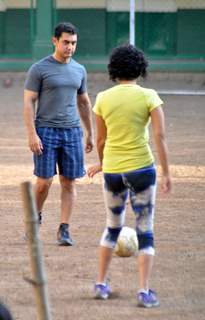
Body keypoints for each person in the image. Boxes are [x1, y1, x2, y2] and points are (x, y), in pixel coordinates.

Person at [87, 44, 172, 307]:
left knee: (112, 227)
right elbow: (159, 136)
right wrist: (167, 172)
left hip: (113, 171)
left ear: (114, 69)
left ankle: (100, 284)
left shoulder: (102, 98)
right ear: (141, 68)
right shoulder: (149, 96)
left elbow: (101, 139)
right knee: (145, 231)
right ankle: (144, 292)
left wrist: (103, 164)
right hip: (142, 170)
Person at [24, 22, 94, 246]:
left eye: (73, 43)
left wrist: (89, 133)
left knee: (69, 182)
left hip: (72, 132)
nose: (70, 47)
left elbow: (83, 102)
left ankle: (64, 229)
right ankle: (34, 220)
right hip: (45, 130)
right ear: (55, 41)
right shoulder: (39, 69)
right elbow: (28, 102)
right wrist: (32, 134)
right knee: (44, 182)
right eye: (66, 42)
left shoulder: (79, 70)